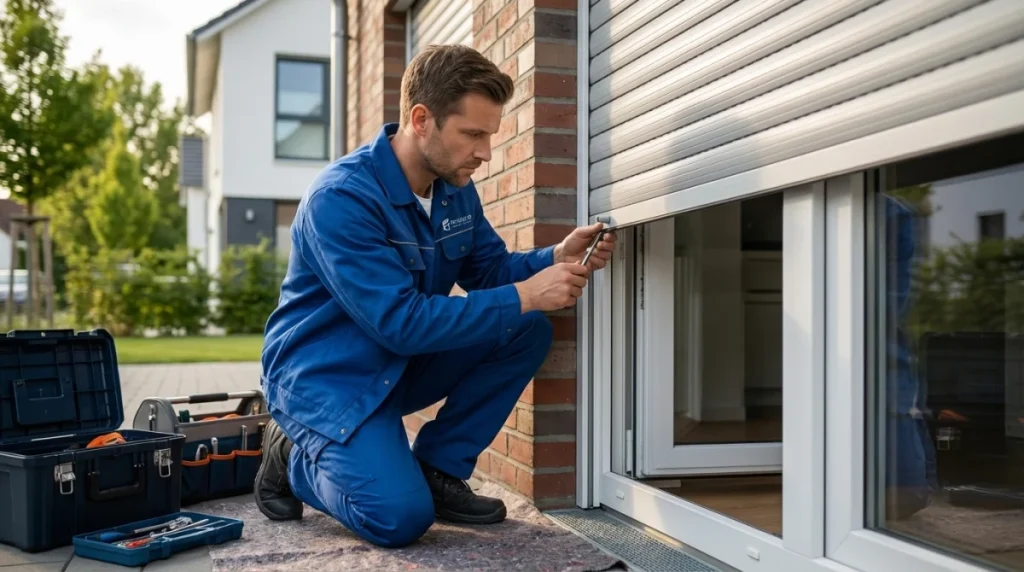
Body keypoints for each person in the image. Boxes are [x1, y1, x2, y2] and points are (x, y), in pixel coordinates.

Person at [254, 44, 616, 549]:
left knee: (524, 326)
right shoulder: (341, 199)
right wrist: (527, 294)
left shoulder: (453, 189)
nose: (485, 152)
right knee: (398, 519)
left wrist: (553, 258)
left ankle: (437, 469)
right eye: (473, 134)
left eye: (489, 135)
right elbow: (399, 322)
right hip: (326, 382)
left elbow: (490, 271)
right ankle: (292, 456)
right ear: (421, 119)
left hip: (397, 363)